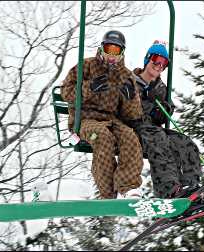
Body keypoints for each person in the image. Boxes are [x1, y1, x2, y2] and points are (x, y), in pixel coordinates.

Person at [60, 30, 144, 199]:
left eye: (116, 51)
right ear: (102, 48)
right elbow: (66, 91)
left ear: (122, 53)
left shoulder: (125, 76)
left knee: (130, 137)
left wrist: (130, 98)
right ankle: (107, 193)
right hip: (85, 119)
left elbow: (132, 115)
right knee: (103, 137)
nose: (111, 55)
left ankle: (129, 187)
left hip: (111, 120)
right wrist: (88, 88)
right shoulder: (86, 66)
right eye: (108, 49)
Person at [128, 41, 203, 199]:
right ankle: (167, 191)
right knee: (158, 139)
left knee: (184, 142)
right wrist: (147, 105)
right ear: (147, 59)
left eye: (164, 63)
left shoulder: (160, 87)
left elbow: (168, 108)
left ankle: (190, 187)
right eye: (156, 60)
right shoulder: (130, 81)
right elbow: (125, 106)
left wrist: (162, 110)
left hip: (153, 129)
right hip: (133, 129)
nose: (159, 66)